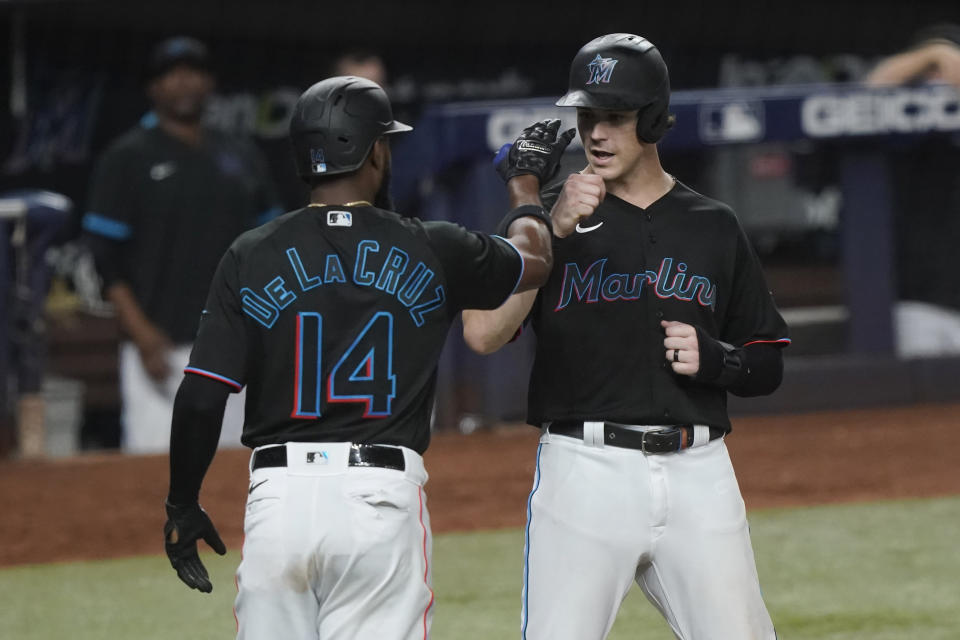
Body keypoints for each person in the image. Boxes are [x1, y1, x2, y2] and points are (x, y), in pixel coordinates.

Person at [162, 76, 582, 640]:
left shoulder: (250, 254)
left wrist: (182, 502)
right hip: (377, 500)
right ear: (375, 151)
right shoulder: (431, 245)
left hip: (278, 502)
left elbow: (201, 396)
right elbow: (533, 259)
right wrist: (524, 183)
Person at [463, 33, 790, 640]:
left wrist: (717, 361)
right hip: (584, 473)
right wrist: (547, 230)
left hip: (700, 474)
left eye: (615, 117)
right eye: (588, 116)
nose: (596, 133)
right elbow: (482, 332)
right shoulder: (547, 221)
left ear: (655, 120)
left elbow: (766, 358)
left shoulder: (712, 225)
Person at [82, 36, 282, 452]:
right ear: (153, 88)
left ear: (210, 83)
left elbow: (272, 246)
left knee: (238, 473)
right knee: (159, 474)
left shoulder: (239, 155)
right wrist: (141, 334)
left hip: (236, 346)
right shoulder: (128, 157)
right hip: (162, 348)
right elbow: (105, 256)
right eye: (171, 75)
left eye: (194, 72)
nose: (184, 83)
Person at [865, 23, 960, 357]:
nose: (941, 78)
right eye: (928, 71)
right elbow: (873, 86)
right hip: (920, 305)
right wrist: (934, 54)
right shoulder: (899, 132)